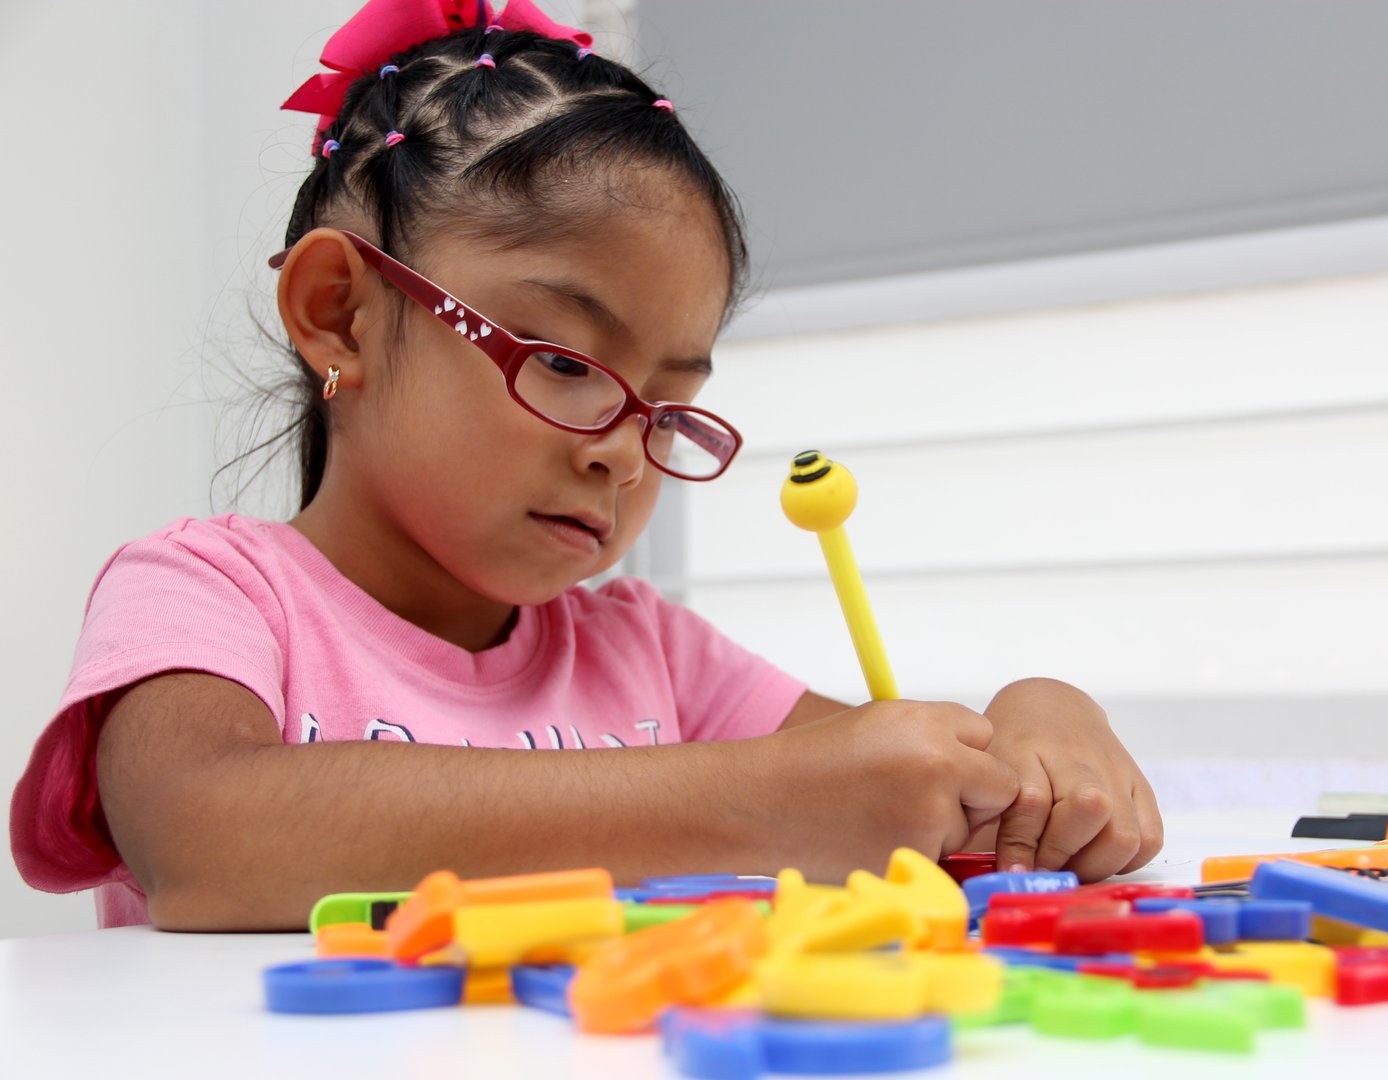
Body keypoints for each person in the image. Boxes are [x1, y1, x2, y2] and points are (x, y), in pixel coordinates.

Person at [9, 0, 1162, 932]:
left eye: (670, 408)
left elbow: (889, 793)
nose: (623, 452)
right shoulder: (209, 594)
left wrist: (1033, 723)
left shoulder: (651, 653)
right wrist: (749, 798)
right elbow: (209, 843)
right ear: (340, 316)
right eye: (564, 361)